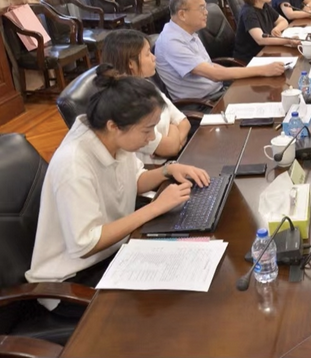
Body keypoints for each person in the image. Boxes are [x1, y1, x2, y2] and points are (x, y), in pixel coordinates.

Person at [25, 65, 210, 300]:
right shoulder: (73, 164)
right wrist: (155, 208)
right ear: (114, 126)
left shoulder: (112, 140)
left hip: (112, 253)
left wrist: (168, 169)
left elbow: (134, 180)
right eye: (147, 130)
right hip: (72, 279)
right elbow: (86, 244)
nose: (152, 138)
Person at [155, 0, 285, 101]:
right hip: (203, 103)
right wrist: (263, 70)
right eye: (201, 8)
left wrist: (259, 71)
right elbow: (214, 74)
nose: (206, 12)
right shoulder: (171, 41)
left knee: (267, 93)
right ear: (182, 14)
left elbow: (211, 67)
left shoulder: (188, 32)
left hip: (218, 90)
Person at [102, 30, 190, 164]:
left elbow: (184, 121)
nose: (154, 57)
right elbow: (169, 148)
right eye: (148, 53)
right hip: (156, 173)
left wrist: (175, 142)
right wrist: (173, 129)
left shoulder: (147, 85)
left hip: (177, 158)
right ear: (131, 63)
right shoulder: (126, 105)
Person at [233, 0, 299, 63]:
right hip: (250, 60)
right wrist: (288, 41)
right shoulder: (248, 12)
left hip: (265, 51)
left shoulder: (264, 6)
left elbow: (283, 21)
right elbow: (260, 39)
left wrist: (277, 29)